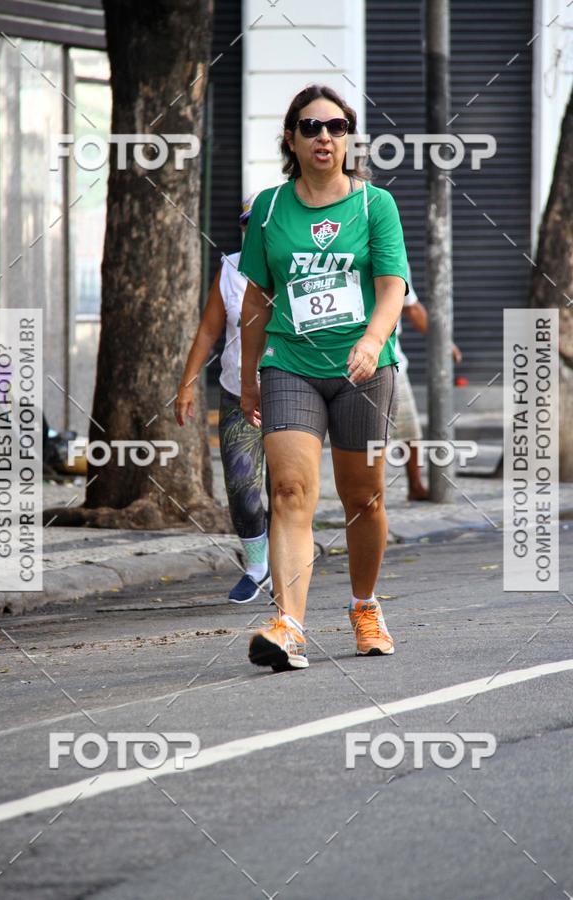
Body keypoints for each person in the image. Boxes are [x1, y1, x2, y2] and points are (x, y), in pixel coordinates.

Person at [239, 84, 409, 671]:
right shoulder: (266, 208)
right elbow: (257, 298)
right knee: (288, 491)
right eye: (311, 127)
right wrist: (247, 375)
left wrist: (371, 339)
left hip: (362, 366)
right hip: (289, 362)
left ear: (348, 139)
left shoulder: (373, 206)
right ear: (291, 138)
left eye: (336, 127)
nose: (324, 137)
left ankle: (364, 606)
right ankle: (288, 626)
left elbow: (391, 287)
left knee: (363, 497)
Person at [175, 198, 271, 603]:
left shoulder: (296, 265)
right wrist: (187, 382)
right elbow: (208, 330)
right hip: (236, 392)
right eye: (247, 221)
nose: (254, 230)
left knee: (287, 488)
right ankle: (257, 566)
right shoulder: (230, 268)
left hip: (291, 390)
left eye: (263, 222)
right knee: (241, 486)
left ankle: (285, 569)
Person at [393, 265, 462, 500]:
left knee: (408, 430)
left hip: (388, 361)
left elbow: (412, 308)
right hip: (334, 360)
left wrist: (443, 342)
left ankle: (415, 485)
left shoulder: (391, 255)